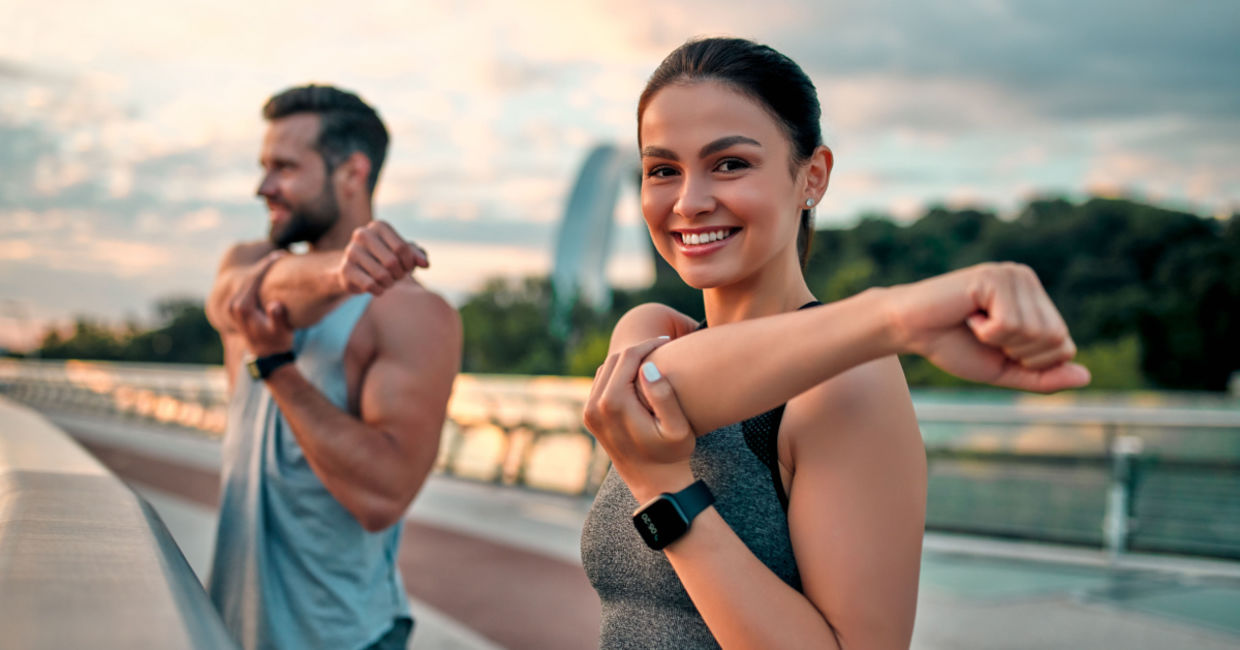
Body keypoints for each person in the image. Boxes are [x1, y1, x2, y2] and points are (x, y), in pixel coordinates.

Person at [579, 38, 1090, 649]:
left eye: (730, 164)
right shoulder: (651, 331)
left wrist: (668, 495)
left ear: (812, 177)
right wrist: (892, 317)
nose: (689, 202)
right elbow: (663, 387)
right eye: (663, 170)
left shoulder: (850, 384)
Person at [204, 84, 461, 650]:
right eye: (264, 167)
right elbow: (233, 300)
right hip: (230, 629)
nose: (263, 187)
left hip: (348, 638)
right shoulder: (249, 264)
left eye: (284, 167)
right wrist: (340, 274)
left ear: (352, 173)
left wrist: (277, 366)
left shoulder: (414, 314)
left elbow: (382, 497)